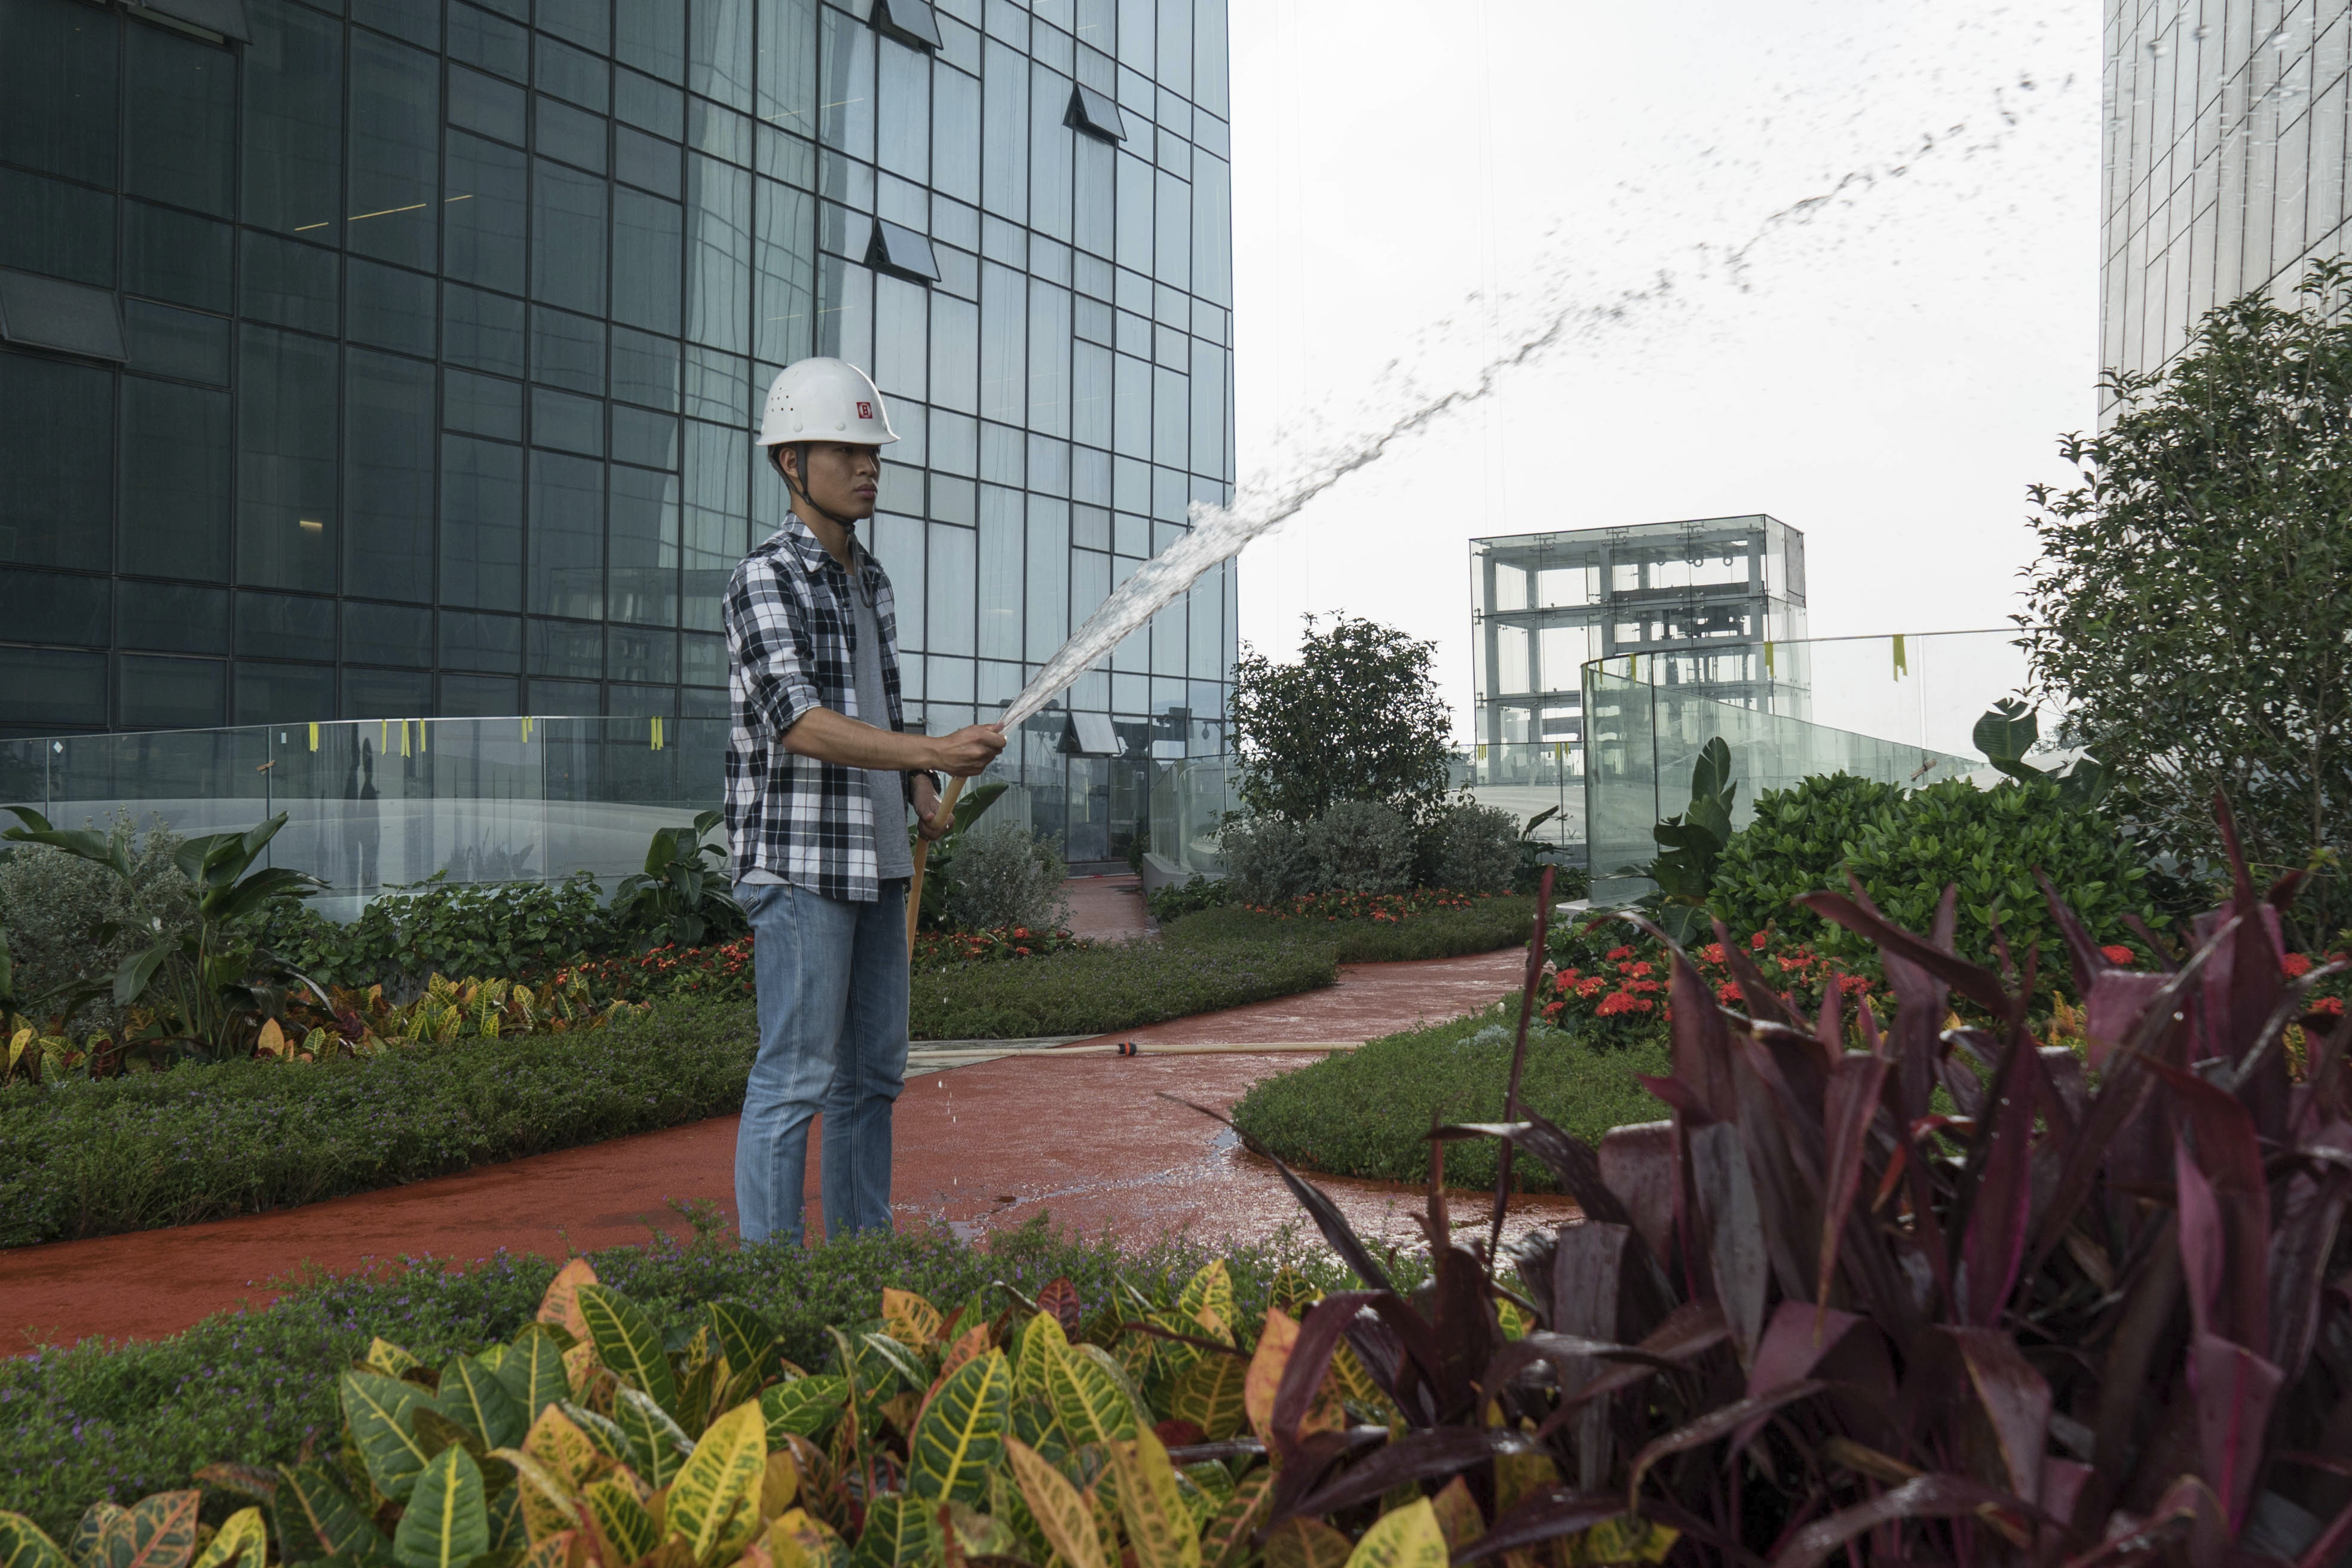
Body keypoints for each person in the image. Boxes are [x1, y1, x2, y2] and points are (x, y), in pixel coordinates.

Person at [723, 357, 1006, 1245]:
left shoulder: (871, 583)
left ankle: (858, 1267)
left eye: (872, 452)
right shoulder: (764, 579)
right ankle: (769, 1286)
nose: (867, 467)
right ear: (790, 462)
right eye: (846, 452)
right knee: (795, 1079)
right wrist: (930, 749)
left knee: (873, 1078)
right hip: (802, 867)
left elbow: (876, 700)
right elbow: (799, 722)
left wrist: (919, 784)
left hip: (878, 861)